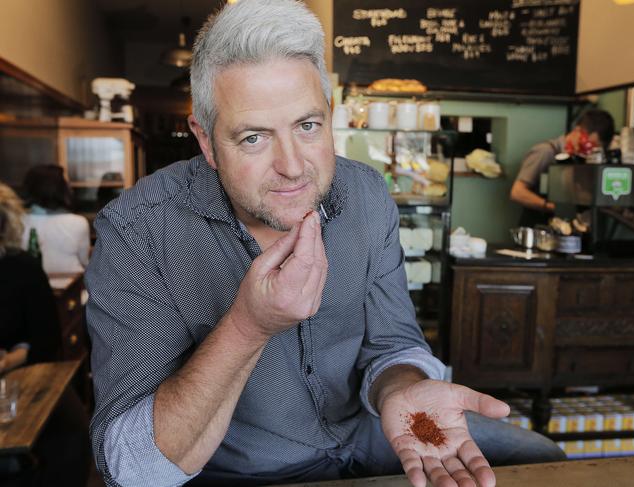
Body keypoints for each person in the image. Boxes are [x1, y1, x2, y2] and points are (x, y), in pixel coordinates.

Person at [86, 2, 564, 487]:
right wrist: (248, 327)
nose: (293, 167)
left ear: (330, 115)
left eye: (308, 126)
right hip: (240, 470)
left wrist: (403, 389)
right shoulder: (137, 231)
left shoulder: (366, 194)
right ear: (206, 140)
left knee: (545, 457)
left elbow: (393, 343)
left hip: (366, 435)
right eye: (253, 138)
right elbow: (131, 470)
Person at [0, 181, 91, 487]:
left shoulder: (22, 268)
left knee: (73, 431)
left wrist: (9, 360)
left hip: (20, 373)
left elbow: (46, 341)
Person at [510, 109, 615, 227]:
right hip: (538, 227)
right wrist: (551, 207)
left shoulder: (580, 159)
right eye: (588, 145)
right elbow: (517, 192)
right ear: (577, 131)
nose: (588, 152)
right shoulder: (545, 152)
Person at [20, 164, 90, 274]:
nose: (69, 186)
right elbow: (84, 261)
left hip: (29, 285)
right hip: (71, 285)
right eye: (66, 183)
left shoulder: (17, 221)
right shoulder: (78, 222)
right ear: (61, 189)